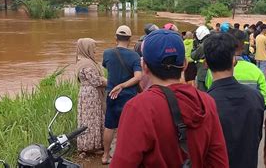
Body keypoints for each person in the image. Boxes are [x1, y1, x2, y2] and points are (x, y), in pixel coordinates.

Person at [110, 29, 229, 168]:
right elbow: (219, 162)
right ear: (184, 64)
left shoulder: (138, 107)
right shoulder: (206, 102)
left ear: (144, 67)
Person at [205, 32, 264, 168]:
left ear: (206, 64)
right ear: (234, 61)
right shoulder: (256, 97)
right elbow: (257, 137)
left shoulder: (204, 104)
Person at [102, 25, 143, 164]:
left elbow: (107, 67)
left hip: (112, 95)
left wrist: (117, 84)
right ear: (130, 39)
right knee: (127, 126)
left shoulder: (107, 53)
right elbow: (138, 77)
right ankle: (126, 157)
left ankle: (105, 156)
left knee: (109, 126)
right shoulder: (135, 55)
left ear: (115, 38)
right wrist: (123, 85)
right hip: (129, 96)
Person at [205, 29, 266, 104]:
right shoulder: (256, 71)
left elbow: (210, 93)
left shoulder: (214, 70)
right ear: (243, 46)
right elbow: (263, 98)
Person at [75, 38, 107, 157]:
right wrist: (111, 82)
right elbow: (96, 80)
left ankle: (90, 145)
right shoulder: (86, 64)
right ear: (87, 48)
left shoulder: (84, 61)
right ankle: (91, 146)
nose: (95, 51)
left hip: (88, 93)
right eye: (93, 48)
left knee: (91, 119)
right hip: (91, 95)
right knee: (91, 120)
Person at [191, 25, 211, 91]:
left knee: (202, 92)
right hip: (212, 72)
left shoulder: (203, 45)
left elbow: (193, 56)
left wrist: (194, 48)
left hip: (203, 72)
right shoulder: (213, 42)